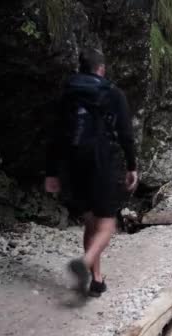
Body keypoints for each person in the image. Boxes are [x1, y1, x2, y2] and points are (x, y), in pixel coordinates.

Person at [45, 48, 138, 297]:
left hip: (72, 162)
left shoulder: (68, 93)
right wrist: (132, 166)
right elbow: (126, 135)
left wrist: (52, 172)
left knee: (90, 222)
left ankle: (96, 280)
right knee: (108, 224)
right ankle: (85, 265)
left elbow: (55, 133)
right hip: (99, 160)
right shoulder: (112, 93)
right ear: (101, 69)